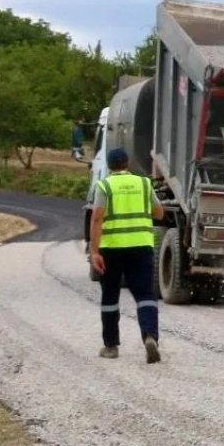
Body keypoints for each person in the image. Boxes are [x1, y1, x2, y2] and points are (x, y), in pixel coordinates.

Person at [88, 148, 164, 363]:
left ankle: (111, 346)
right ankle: (150, 336)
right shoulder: (143, 184)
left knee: (110, 296)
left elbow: (96, 219)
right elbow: (159, 213)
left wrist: (94, 252)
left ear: (110, 166)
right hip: (141, 248)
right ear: (127, 163)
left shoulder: (104, 185)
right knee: (145, 295)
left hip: (111, 249)